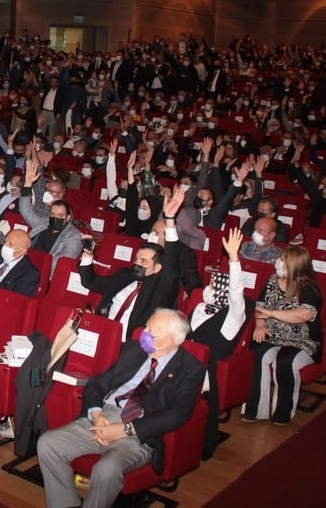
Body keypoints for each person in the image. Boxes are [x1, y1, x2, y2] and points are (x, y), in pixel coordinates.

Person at [36, 309, 205, 508]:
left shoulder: (190, 368)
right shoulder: (133, 349)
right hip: (103, 417)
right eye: (147, 325)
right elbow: (98, 383)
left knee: (106, 469)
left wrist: (125, 429)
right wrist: (96, 414)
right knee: (47, 444)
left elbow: (177, 415)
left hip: (137, 433)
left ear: (168, 340)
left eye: (151, 330)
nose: (144, 332)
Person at [78, 188, 186, 341]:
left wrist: (169, 219)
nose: (137, 263)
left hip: (129, 343)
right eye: (136, 259)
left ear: (157, 268)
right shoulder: (125, 275)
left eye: (143, 261)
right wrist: (88, 255)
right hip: (100, 332)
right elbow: (90, 282)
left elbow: (172, 266)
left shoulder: (161, 289)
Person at [189, 227, 256, 460]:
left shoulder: (233, 316)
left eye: (214, 286)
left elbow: (236, 293)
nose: (208, 288)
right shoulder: (199, 307)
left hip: (202, 370)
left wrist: (234, 258)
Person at [242, 244, 322, 426]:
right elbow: (260, 306)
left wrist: (271, 314)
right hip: (273, 334)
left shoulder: (309, 288)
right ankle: (255, 409)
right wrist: (260, 326)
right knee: (256, 353)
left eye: (283, 260)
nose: (278, 263)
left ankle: (282, 411)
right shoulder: (272, 280)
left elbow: (305, 314)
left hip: (302, 340)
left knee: (285, 361)